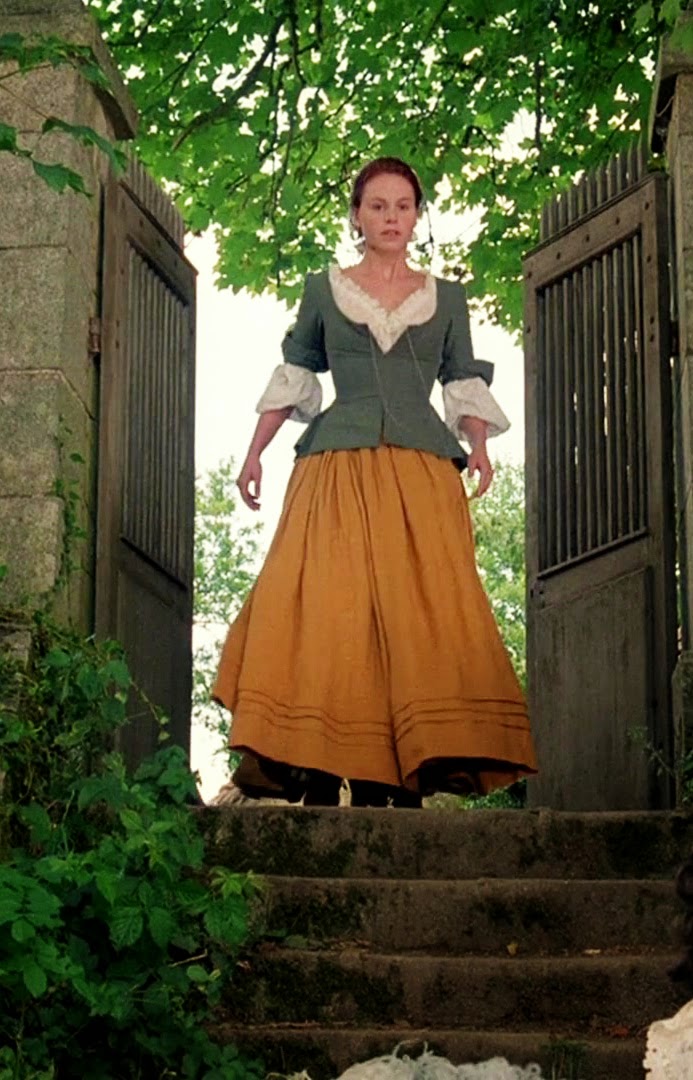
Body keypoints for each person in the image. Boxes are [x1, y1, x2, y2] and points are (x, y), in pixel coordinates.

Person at [212, 156, 537, 807]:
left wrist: (478, 447)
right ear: (356, 216)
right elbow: (295, 375)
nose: (391, 217)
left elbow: (461, 381)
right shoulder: (322, 290)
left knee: (417, 612)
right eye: (378, 206)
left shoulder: (447, 299)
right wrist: (253, 454)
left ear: (416, 217)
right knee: (325, 607)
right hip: (336, 466)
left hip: (422, 472)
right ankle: (314, 760)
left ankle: (397, 771)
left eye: (403, 206)